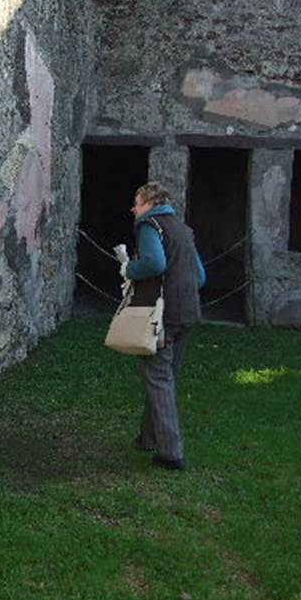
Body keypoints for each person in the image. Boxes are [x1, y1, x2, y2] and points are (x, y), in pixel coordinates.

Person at [119, 181, 204, 470]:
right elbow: (200, 276)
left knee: (158, 377)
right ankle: (149, 437)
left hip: (162, 314)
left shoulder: (149, 226)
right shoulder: (183, 230)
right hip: (188, 311)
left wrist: (129, 268)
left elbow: (154, 263)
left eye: (137, 203)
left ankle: (171, 453)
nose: (134, 209)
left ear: (150, 203)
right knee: (164, 377)